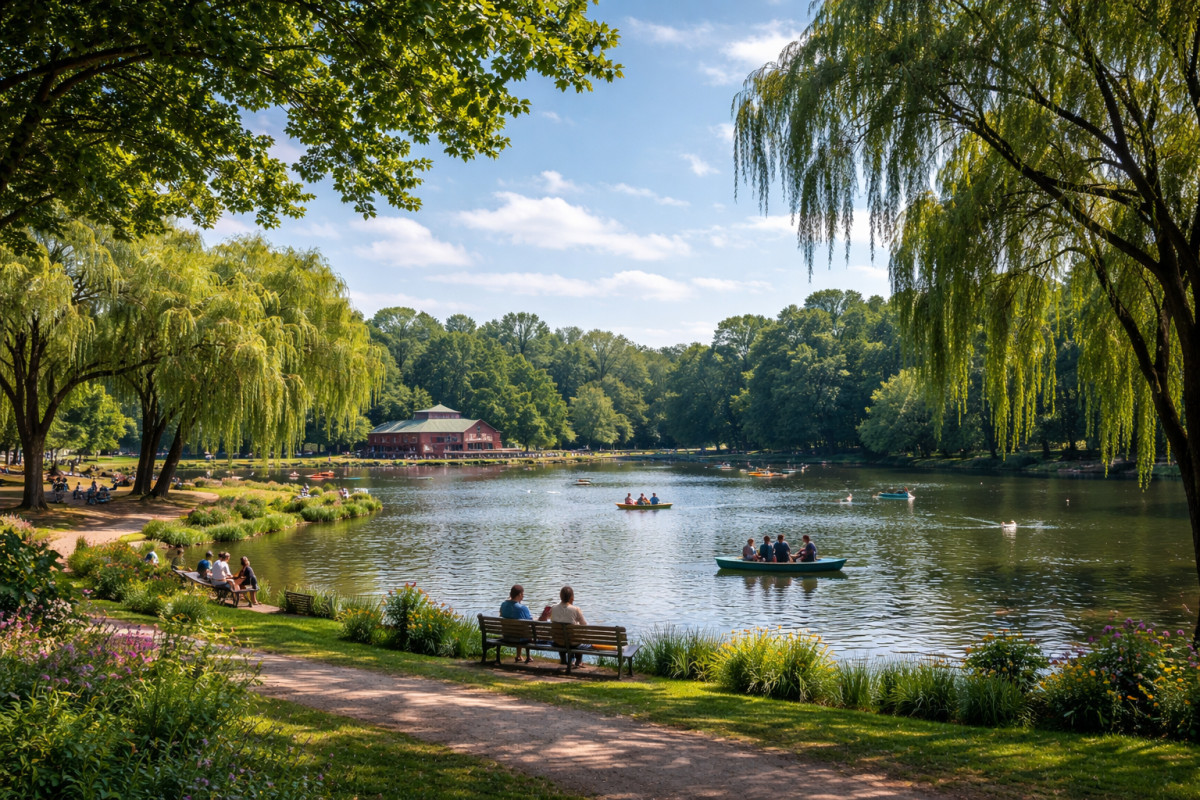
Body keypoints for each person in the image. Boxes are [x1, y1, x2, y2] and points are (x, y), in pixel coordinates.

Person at [550, 585, 589, 666]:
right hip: (572, 643)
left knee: (561, 634)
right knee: (577, 635)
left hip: (558, 642)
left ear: (560, 596)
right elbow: (585, 626)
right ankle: (578, 661)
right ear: (572, 597)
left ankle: (563, 660)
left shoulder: (553, 608)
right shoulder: (575, 609)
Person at [499, 584, 534, 663]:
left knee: (520, 628)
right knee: (525, 631)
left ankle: (518, 656)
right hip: (519, 638)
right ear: (520, 595)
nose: (523, 596)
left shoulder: (503, 605)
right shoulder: (522, 608)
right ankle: (528, 656)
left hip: (506, 636)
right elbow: (530, 623)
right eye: (523, 594)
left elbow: (502, 615)